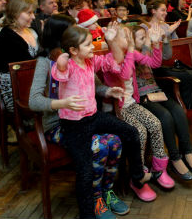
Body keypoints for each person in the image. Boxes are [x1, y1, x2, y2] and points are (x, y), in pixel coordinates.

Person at [29, 15, 130, 218]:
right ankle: (95, 199)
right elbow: (33, 101)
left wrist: (107, 92)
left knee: (116, 141)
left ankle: (106, 191)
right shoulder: (45, 61)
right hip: (57, 124)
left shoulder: (80, 58)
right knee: (100, 146)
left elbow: (95, 85)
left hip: (85, 118)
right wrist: (61, 104)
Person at [52, 25, 151, 218]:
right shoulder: (68, 64)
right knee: (85, 170)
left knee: (131, 132)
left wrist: (111, 40)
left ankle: (138, 175)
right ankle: (87, 214)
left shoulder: (90, 61)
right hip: (74, 125)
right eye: (88, 45)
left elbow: (112, 62)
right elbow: (59, 74)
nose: (92, 47)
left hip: (93, 117)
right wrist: (62, 61)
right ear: (73, 50)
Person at [102, 26, 176, 196]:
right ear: (113, 40)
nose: (129, 40)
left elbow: (155, 63)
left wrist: (156, 43)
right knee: (140, 132)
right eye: (125, 36)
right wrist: (130, 50)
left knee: (155, 124)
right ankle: (138, 177)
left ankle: (158, 169)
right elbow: (124, 73)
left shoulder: (131, 54)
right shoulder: (109, 59)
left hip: (131, 104)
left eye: (129, 36)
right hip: (117, 109)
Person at [132, 24, 192, 180]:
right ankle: (175, 158)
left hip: (156, 93)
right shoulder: (129, 54)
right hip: (143, 98)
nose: (145, 40)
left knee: (177, 110)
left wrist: (157, 44)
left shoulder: (145, 50)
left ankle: (187, 152)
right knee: (165, 116)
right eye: (141, 38)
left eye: (145, 37)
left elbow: (156, 63)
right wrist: (146, 45)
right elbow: (136, 64)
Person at [0, 0, 39, 112]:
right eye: (29, 13)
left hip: (31, 81)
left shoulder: (29, 31)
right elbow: (27, 67)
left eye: (33, 12)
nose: (33, 17)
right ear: (15, 13)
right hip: (16, 89)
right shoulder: (7, 38)